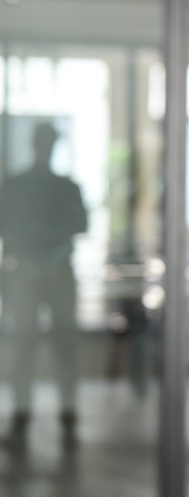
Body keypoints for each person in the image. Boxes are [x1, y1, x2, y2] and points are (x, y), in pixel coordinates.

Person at [0, 122, 88, 451]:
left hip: (54, 273)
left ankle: (67, 419)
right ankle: (22, 419)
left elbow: (80, 224)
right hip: (27, 273)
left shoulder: (65, 187)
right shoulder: (17, 186)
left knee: (63, 346)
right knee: (23, 346)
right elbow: (7, 226)